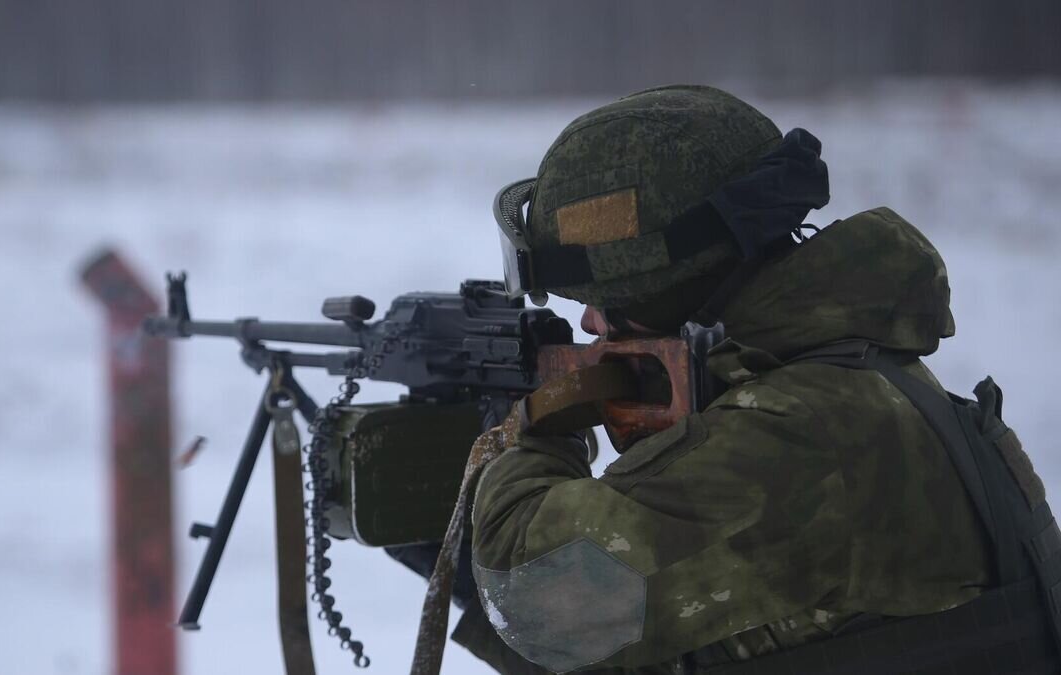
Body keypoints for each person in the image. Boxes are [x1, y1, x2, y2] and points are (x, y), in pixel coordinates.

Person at [441, 85, 1061, 674]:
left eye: (602, 298)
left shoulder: (807, 433)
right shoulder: (852, 380)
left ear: (667, 287)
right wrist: (460, 573)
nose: (588, 320)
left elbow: (540, 603)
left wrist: (544, 428)